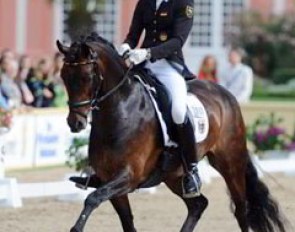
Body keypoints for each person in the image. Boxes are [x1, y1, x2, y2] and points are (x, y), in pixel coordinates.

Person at [117, 0, 201, 198]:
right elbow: (133, 35)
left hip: (167, 66)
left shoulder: (183, 3)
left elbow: (178, 41)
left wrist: (148, 52)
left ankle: (192, 169)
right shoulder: (145, 2)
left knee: (179, 111)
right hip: (141, 64)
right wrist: (124, 47)